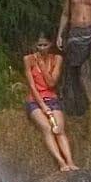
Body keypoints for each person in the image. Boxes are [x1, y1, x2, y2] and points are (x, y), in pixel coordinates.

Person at [19, 44, 74, 173]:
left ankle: (70, 161)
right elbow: (32, 86)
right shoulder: (28, 59)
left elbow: (51, 83)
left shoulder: (56, 58)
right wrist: (43, 106)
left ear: (50, 45)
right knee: (47, 128)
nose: (42, 48)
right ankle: (61, 162)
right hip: (35, 100)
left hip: (52, 99)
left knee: (59, 129)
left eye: (45, 45)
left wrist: (43, 67)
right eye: (39, 45)